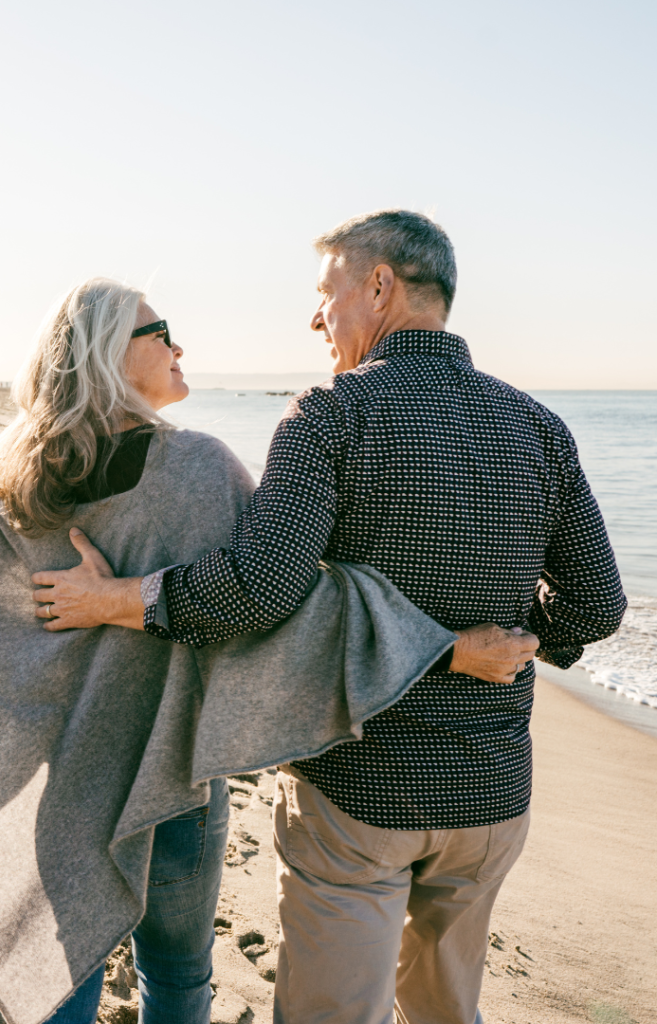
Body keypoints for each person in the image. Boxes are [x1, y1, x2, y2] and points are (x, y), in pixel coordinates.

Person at [31, 212, 625, 1023]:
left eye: (326, 292)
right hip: (491, 794)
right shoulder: (539, 428)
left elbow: (258, 591)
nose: (317, 317)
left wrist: (118, 600)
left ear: (379, 286)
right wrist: (525, 641)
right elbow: (598, 605)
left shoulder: (333, 414)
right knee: (449, 1011)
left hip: (359, 792)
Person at [0, 275, 535, 1024]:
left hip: (66, 774)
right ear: (111, 354)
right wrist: (447, 650)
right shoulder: (199, 469)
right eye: (160, 331)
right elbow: (293, 605)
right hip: (173, 771)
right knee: (177, 977)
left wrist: (44, 686)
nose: (179, 345)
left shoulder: (18, 477)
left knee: (62, 973)